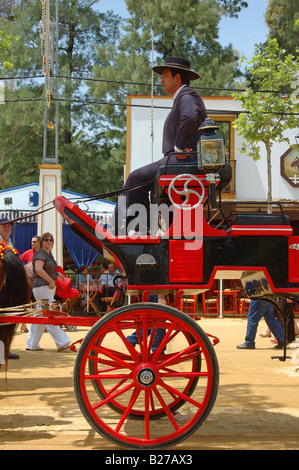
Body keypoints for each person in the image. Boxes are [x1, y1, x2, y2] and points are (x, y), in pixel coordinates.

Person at [113, 56, 207, 235]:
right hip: (179, 161)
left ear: (177, 77)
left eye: (165, 75)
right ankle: (138, 227)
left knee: (135, 178)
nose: (161, 80)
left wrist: (178, 148)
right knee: (141, 180)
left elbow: (189, 116)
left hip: (185, 161)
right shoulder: (182, 98)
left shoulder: (187, 95)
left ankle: (134, 229)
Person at [25, 232, 71, 352]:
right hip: (42, 286)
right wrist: (51, 280)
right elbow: (39, 270)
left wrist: (57, 274)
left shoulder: (48, 254)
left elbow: (46, 268)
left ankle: (32, 344)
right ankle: (62, 342)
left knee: (40, 315)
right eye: (46, 240)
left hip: (46, 286)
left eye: (51, 240)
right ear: (42, 242)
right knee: (51, 312)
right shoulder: (40, 253)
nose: (49, 241)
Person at [0, 218, 21, 359]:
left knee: (5, 321)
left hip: (6, 287)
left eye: (9, 226)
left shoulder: (10, 243)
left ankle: (3, 350)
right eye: (4, 226)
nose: (8, 228)